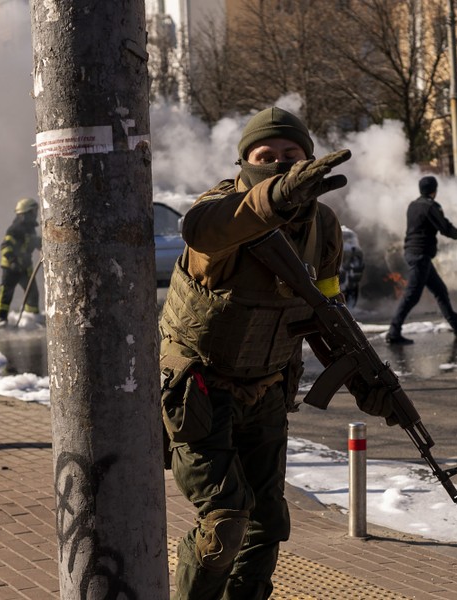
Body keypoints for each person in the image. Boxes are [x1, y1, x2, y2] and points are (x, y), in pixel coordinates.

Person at [158, 106, 396, 600]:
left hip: (266, 388)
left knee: (267, 524)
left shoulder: (324, 227)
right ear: (244, 162)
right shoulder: (222, 210)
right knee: (225, 523)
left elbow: (328, 312)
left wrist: (366, 382)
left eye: (293, 155)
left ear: (310, 160)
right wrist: (275, 197)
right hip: (200, 390)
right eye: (266, 156)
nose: (281, 164)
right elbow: (200, 231)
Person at [385, 176, 457, 344]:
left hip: (414, 253)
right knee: (411, 296)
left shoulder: (413, 205)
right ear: (434, 190)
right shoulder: (431, 206)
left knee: (440, 290)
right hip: (420, 256)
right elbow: (445, 228)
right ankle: (393, 332)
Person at [0, 197, 41, 327]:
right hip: (11, 267)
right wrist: (13, 261)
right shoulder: (14, 229)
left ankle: (32, 318)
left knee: (32, 293)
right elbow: (5, 246)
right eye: (33, 211)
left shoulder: (30, 229)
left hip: (25, 267)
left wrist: (43, 245)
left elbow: (32, 242)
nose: (35, 214)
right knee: (6, 293)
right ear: (25, 213)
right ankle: (0, 319)